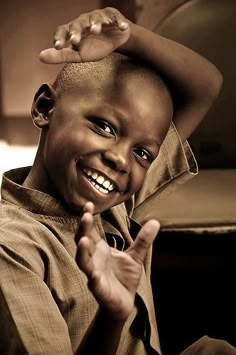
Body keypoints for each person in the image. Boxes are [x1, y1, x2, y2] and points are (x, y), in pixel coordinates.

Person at [0, 6, 234, 355]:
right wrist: (112, 316)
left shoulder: (114, 201)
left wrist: (129, 37)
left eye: (143, 153)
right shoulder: (13, 248)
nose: (121, 159)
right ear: (45, 108)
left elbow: (206, 84)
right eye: (104, 127)